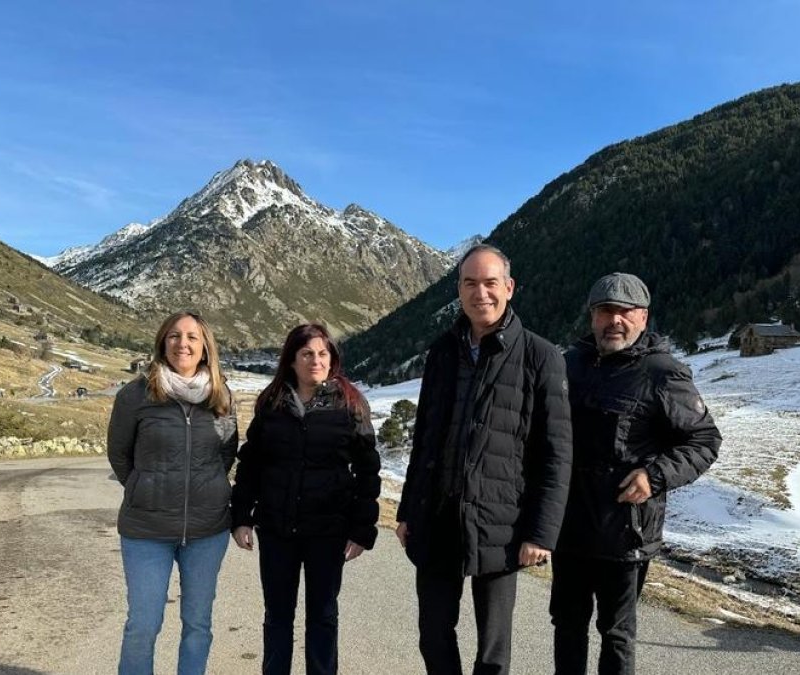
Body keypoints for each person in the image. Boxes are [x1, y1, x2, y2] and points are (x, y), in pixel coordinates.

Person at [396, 244, 572, 675]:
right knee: (433, 633)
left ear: (509, 288)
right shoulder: (441, 352)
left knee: (493, 650)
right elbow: (425, 440)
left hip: (502, 523)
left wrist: (542, 534)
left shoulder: (540, 356)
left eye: (490, 283)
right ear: (458, 290)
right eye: (470, 283)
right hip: (438, 517)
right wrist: (406, 510)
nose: (481, 293)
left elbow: (556, 451)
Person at [551, 273, 721, 675]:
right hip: (569, 528)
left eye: (625, 313)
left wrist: (655, 475)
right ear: (592, 317)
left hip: (625, 532)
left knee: (616, 633)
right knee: (567, 625)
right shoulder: (567, 364)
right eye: (606, 312)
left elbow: (705, 441)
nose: (615, 321)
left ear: (643, 318)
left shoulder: (663, 373)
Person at [231, 323, 381, 675]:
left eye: (323, 353)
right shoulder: (272, 403)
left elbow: (368, 471)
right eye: (307, 353)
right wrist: (241, 516)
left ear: (332, 360)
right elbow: (251, 464)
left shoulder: (350, 405)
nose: (316, 360)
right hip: (277, 530)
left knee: (324, 616)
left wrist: (362, 530)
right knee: (277, 616)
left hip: (328, 532)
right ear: (292, 360)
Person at [107, 311, 238, 675]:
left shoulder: (220, 393)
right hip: (146, 530)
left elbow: (226, 450)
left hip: (207, 530)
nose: (183, 343)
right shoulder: (135, 394)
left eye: (192, 337)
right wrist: (144, 486)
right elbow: (119, 453)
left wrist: (207, 488)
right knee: (142, 626)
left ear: (204, 348)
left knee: (198, 626)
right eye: (175, 336)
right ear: (163, 343)